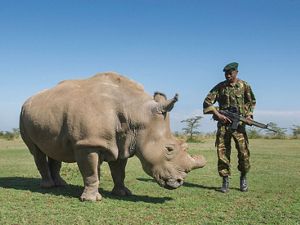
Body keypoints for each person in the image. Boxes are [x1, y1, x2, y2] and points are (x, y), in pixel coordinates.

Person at [203, 62, 256, 193]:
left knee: (244, 153)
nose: (227, 75)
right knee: (222, 154)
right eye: (226, 73)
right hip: (224, 126)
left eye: (230, 73)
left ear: (236, 72)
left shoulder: (244, 86)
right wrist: (217, 114)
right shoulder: (220, 87)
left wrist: (249, 115)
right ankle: (225, 181)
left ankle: (243, 178)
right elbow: (207, 102)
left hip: (239, 126)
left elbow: (251, 102)